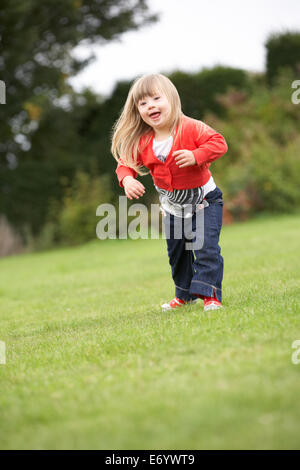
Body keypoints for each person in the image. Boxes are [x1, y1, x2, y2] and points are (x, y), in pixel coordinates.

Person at [111, 74, 228, 312]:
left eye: (156, 98)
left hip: (205, 202)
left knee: (205, 247)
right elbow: (124, 164)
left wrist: (197, 155)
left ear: (172, 100)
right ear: (137, 111)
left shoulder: (191, 128)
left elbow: (218, 143)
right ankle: (184, 295)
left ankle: (211, 296)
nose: (150, 105)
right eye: (143, 103)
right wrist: (127, 180)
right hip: (173, 209)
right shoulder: (142, 141)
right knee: (177, 253)